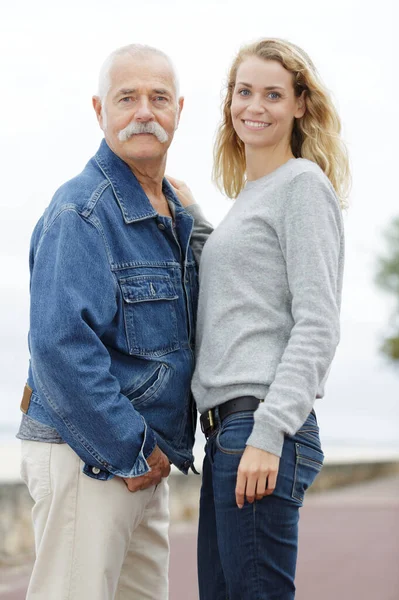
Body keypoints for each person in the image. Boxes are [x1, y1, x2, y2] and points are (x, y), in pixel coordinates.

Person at [17, 43, 212, 600]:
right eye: (128, 98)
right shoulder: (82, 210)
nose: (144, 111)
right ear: (100, 110)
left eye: (158, 98)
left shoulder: (169, 211)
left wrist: (149, 455)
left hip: (142, 461)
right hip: (90, 456)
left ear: (179, 110)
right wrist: (130, 449)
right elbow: (60, 347)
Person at [191, 38, 350, 599]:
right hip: (228, 434)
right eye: (244, 91)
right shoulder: (251, 196)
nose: (253, 106)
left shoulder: (302, 186)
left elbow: (317, 324)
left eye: (273, 94)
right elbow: (243, 291)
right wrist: (190, 214)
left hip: (261, 426)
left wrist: (269, 430)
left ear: (301, 104)